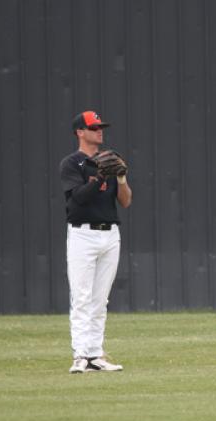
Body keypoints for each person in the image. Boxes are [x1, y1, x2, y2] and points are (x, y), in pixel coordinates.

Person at [59, 110, 132, 373]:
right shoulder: (71, 163)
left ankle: (95, 355)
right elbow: (78, 198)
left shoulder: (109, 161)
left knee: (100, 300)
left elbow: (125, 201)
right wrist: (101, 176)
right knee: (81, 297)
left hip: (110, 233)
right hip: (82, 234)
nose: (99, 130)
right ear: (80, 132)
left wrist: (121, 177)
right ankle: (80, 356)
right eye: (93, 127)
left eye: (100, 126)